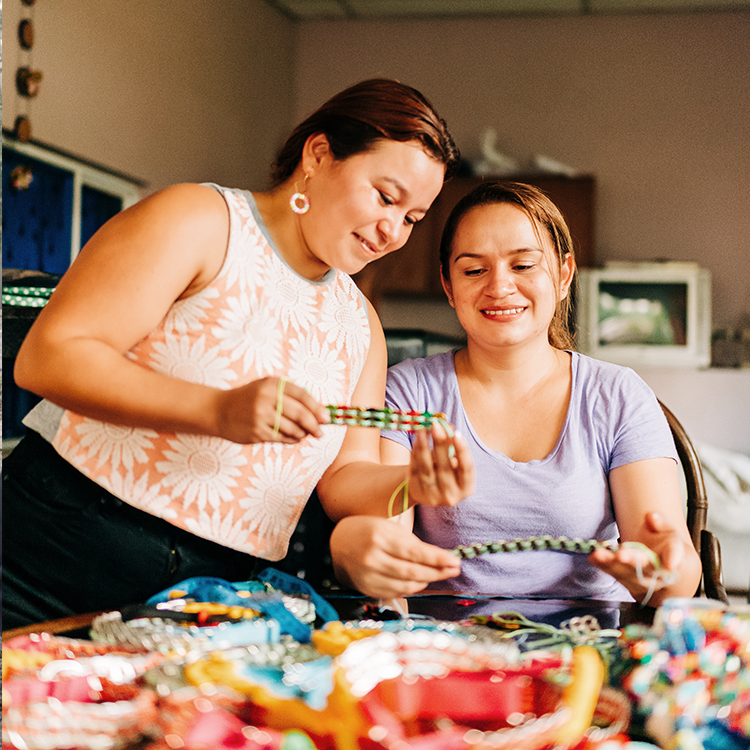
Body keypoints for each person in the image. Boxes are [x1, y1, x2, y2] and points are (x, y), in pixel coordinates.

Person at [2, 78, 474, 631]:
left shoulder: (360, 324)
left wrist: (412, 484)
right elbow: (50, 356)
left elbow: (345, 480)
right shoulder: (200, 221)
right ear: (318, 155)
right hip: (52, 555)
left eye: (413, 218)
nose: (392, 231)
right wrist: (217, 410)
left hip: (207, 599)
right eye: (385, 197)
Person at [327, 180, 702, 608]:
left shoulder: (618, 395)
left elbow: (675, 571)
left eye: (523, 266)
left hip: (587, 644)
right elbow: (385, 539)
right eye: (473, 270)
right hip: (447, 645)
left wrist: (663, 570)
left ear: (563, 275)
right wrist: (357, 553)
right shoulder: (408, 392)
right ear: (449, 287)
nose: (499, 286)